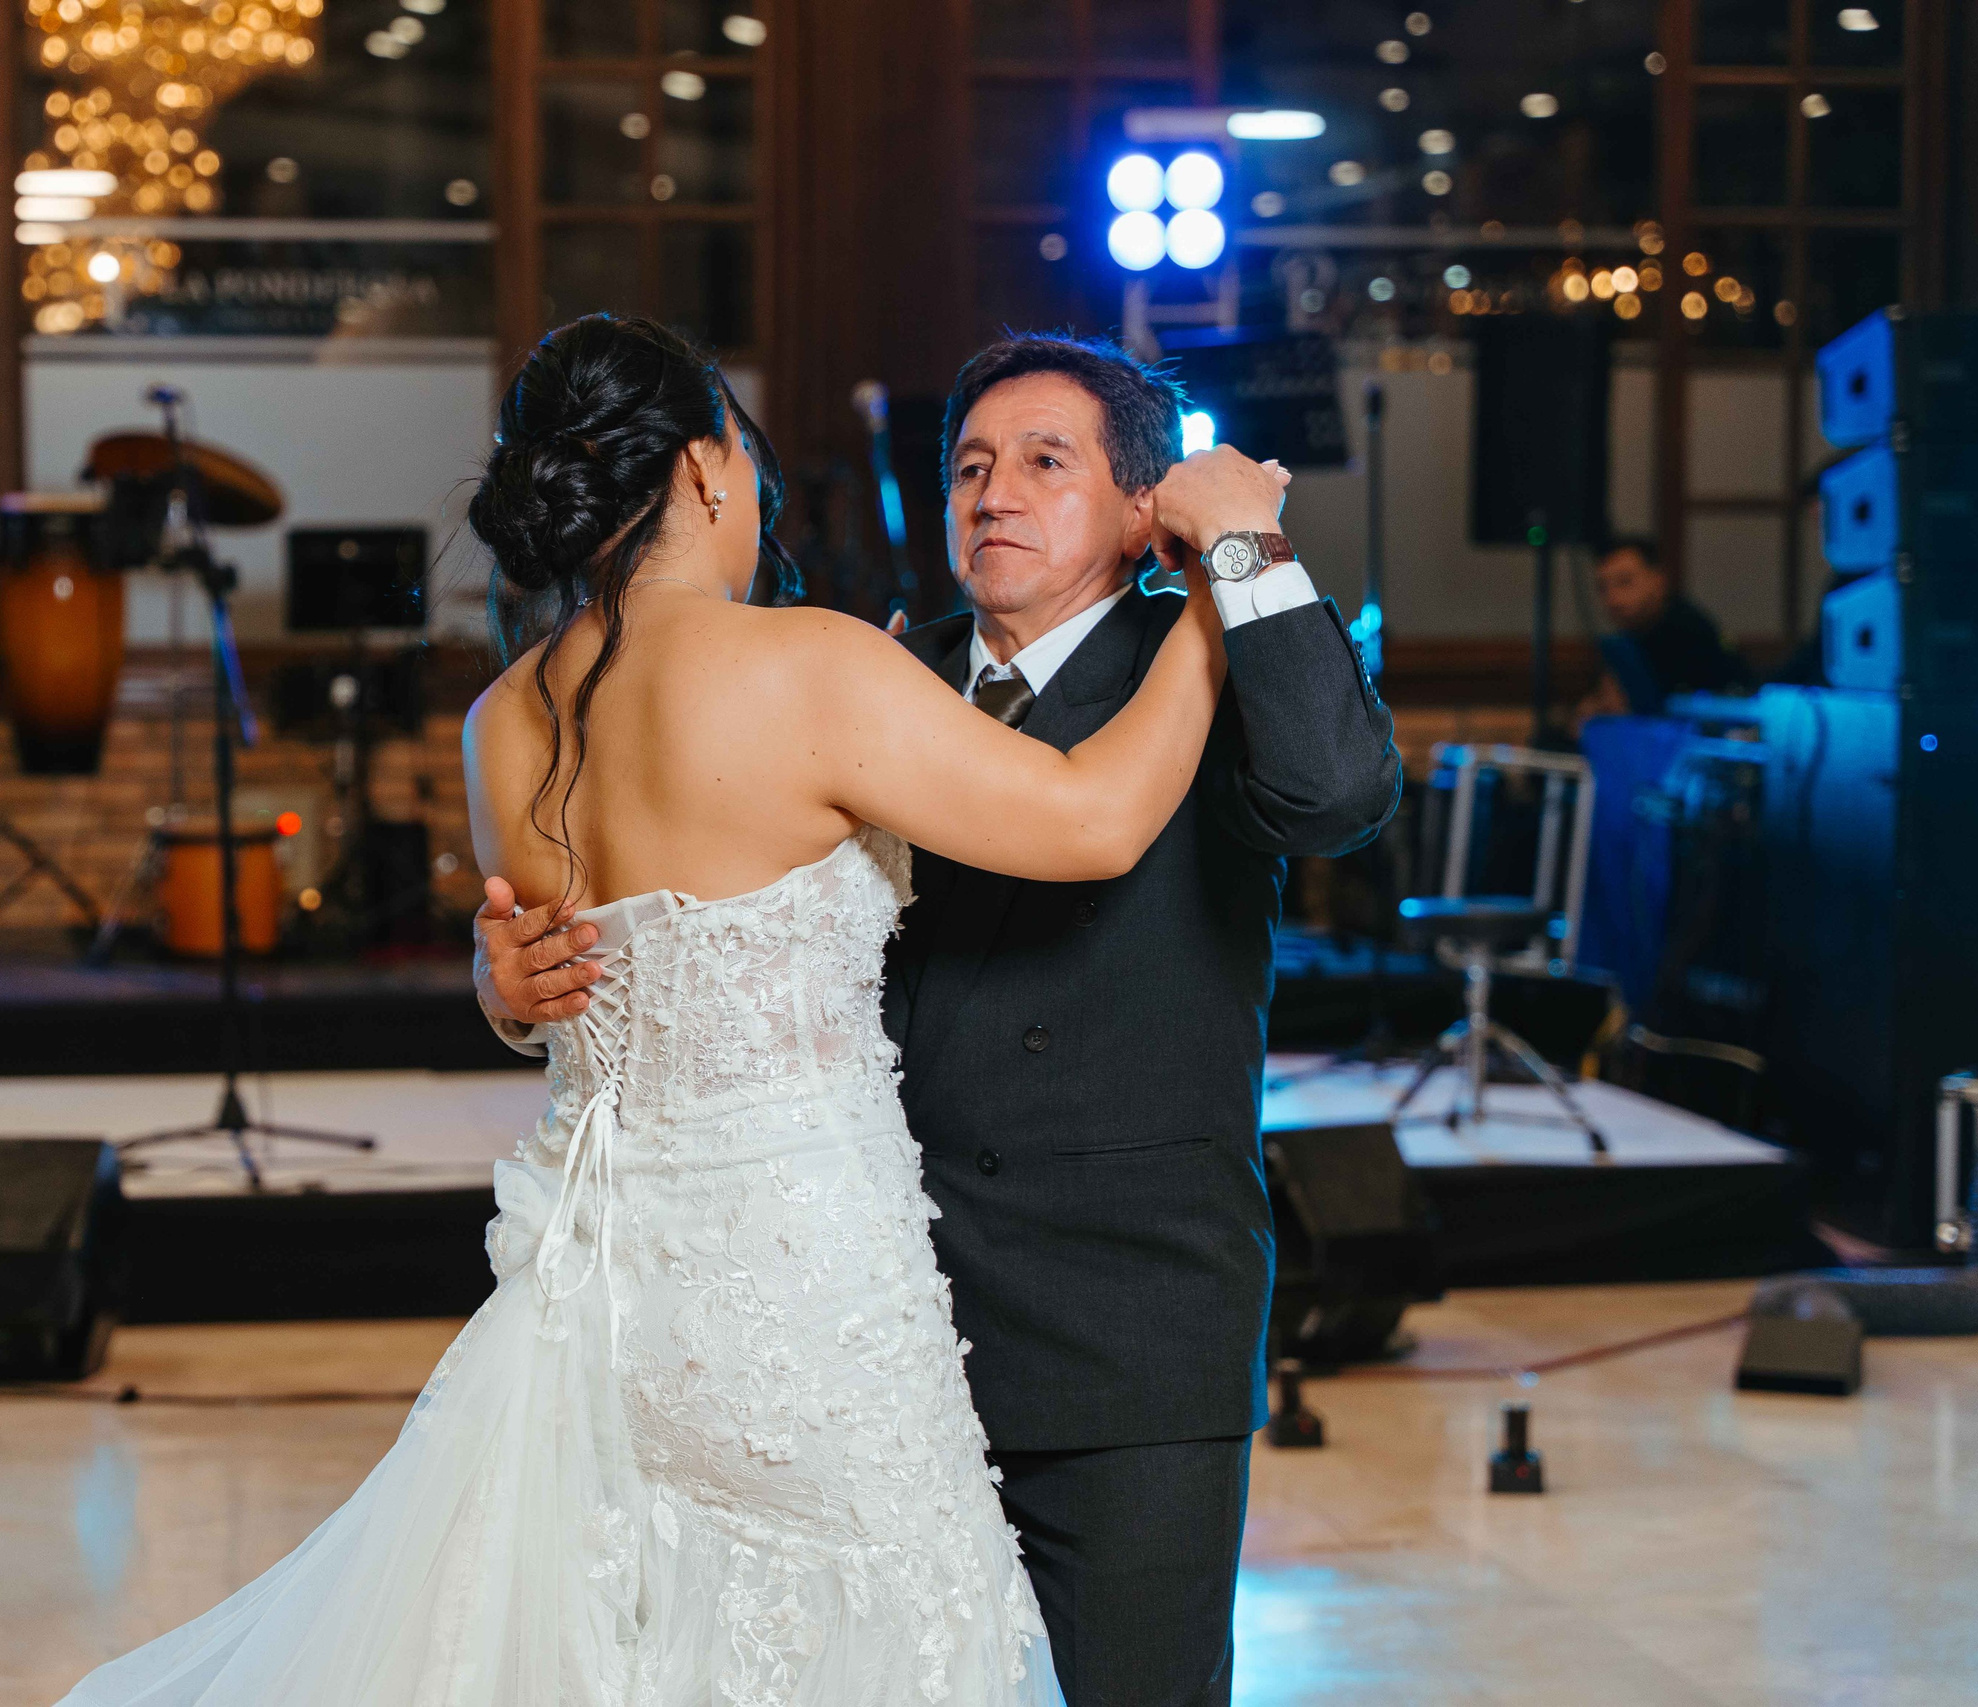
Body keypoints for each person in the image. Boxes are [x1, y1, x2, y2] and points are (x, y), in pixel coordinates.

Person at [52, 315, 1270, 1706]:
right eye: (745, 466)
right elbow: (1097, 820)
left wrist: (500, 994)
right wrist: (1218, 608)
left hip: (604, 1299)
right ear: (703, 471)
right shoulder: (809, 664)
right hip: (808, 1287)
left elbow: (562, 972)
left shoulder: (502, 716)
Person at [481, 333, 1402, 1705]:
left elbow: (1339, 791)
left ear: (1146, 505)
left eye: (1045, 461)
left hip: (1124, 1329)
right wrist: (509, 984)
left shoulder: (1209, 650)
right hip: (864, 1329)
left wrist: (1243, 554)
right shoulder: (869, 668)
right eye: (970, 463)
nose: (993, 491)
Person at [1580, 535, 1752, 718]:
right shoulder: (1633, 637)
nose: (1613, 599)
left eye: (1625, 582)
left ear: (1658, 581)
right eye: (1603, 588)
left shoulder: (1686, 631)